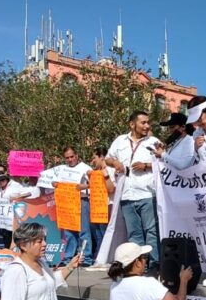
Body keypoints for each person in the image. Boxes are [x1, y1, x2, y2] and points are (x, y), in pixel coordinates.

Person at [106, 111, 163, 273]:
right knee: (134, 234)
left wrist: (145, 165)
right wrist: (115, 162)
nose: (147, 126)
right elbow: (108, 159)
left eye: (148, 123)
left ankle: (153, 264)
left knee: (151, 231)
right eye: (143, 123)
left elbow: (164, 162)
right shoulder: (119, 141)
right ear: (132, 124)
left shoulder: (154, 141)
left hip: (147, 193)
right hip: (126, 194)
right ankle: (138, 266)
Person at [58, 146, 93, 267]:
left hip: (81, 200)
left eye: (72, 156)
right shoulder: (62, 169)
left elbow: (94, 183)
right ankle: (68, 258)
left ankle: (86, 258)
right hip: (67, 202)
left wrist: (83, 186)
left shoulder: (85, 168)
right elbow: (55, 182)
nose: (70, 159)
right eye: (67, 158)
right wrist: (54, 183)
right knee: (69, 232)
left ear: (77, 156)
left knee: (83, 231)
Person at [87, 147, 116, 260]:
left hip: (107, 205)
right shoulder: (96, 172)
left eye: (94, 157)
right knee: (99, 235)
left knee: (105, 234)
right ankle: (100, 257)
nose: (93, 161)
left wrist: (106, 175)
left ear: (102, 157)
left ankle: (106, 258)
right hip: (97, 207)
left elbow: (111, 189)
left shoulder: (110, 170)